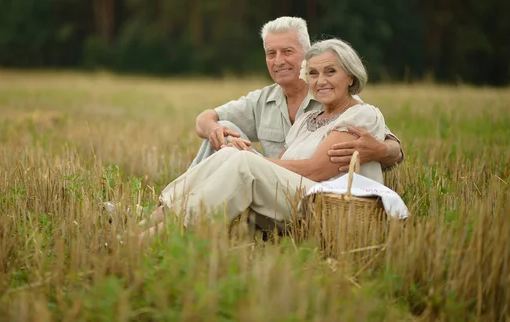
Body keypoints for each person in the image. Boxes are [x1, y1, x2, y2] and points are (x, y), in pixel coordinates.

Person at [133, 38, 391, 240]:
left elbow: (315, 170)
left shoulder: (361, 114)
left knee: (242, 162)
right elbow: (279, 162)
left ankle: (157, 238)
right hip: (290, 202)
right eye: (313, 74)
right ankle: (144, 225)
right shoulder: (307, 119)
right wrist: (243, 156)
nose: (320, 81)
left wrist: (250, 159)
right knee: (229, 154)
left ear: (351, 77)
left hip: (325, 209)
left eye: (330, 71)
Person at [190, 16, 403, 172]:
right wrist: (215, 131)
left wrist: (380, 151)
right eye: (271, 54)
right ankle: (178, 208)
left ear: (308, 53)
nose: (279, 61)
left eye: (288, 51)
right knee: (226, 134)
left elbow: (394, 148)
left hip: (300, 189)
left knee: (233, 153)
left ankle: (179, 211)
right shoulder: (263, 99)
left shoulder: (334, 97)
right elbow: (204, 119)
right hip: (266, 179)